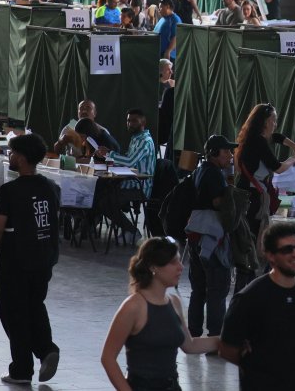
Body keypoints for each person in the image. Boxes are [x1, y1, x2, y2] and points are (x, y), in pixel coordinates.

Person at [0, 134, 60, 386]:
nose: (9, 157)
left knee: (14, 314)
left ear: (21, 158)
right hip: (44, 258)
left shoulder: (10, 191)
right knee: (35, 305)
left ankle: (22, 369)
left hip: (15, 261)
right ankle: (46, 350)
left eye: (11, 153)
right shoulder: (50, 187)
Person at [101, 238, 219, 391]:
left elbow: (190, 345)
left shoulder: (174, 302)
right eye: (173, 262)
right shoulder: (133, 306)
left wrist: (224, 341)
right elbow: (108, 358)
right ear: (153, 267)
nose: (180, 267)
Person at [220, 222, 295, 391]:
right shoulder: (249, 298)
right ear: (271, 256)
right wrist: (257, 369)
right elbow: (227, 349)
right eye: (287, 250)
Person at [235, 104, 295, 291]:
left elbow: (276, 137)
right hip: (253, 199)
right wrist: (294, 159)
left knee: (253, 243)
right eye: (273, 120)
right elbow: (278, 167)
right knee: (252, 244)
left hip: (250, 195)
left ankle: (249, 284)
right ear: (265, 121)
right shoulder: (258, 142)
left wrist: (294, 146)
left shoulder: (255, 138)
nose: (275, 123)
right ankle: (248, 288)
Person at [186, 135, 239, 340]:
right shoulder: (215, 174)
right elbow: (218, 202)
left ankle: (194, 333)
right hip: (211, 235)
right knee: (218, 288)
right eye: (226, 152)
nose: (230, 155)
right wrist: (231, 195)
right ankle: (215, 337)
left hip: (195, 232)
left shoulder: (199, 170)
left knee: (198, 287)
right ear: (214, 153)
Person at [95, 109, 157, 238]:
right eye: (128, 120)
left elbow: (130, 161)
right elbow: (127, 160)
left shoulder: (145, 141)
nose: (130, 124)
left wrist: (109, 154)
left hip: (139, 187)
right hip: (127, 183)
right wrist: (108, 162)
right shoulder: (135, 139)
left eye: (134, 121)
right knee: (97, 193)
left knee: (106, 202)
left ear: (143, 122)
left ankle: (132, 232)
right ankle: (88, 227)